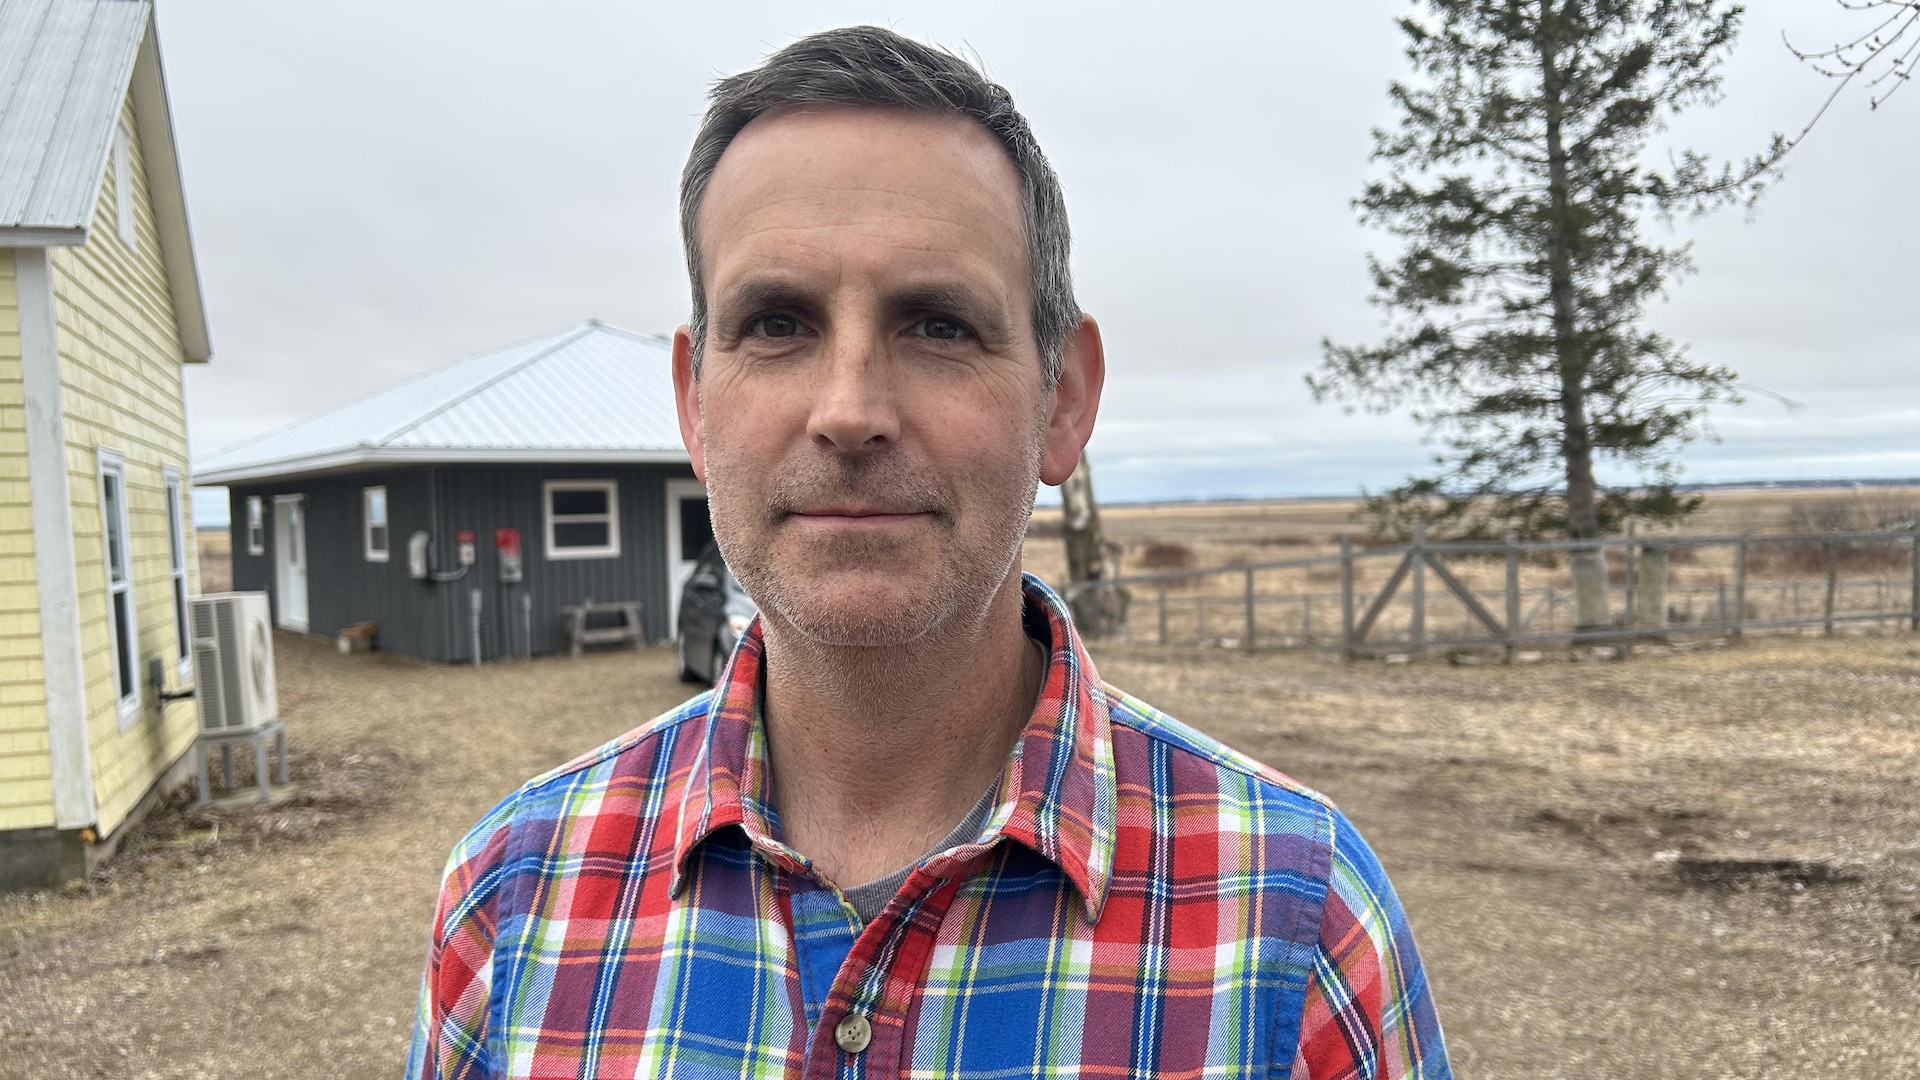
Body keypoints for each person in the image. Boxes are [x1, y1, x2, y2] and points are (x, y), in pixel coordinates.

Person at [408, 25, 1449, 1079]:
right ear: (693, 404)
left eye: (939, 325)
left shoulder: (1297, 920)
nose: (850, 410)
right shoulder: (510, 900)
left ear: (1065, 400)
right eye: (777, 322)